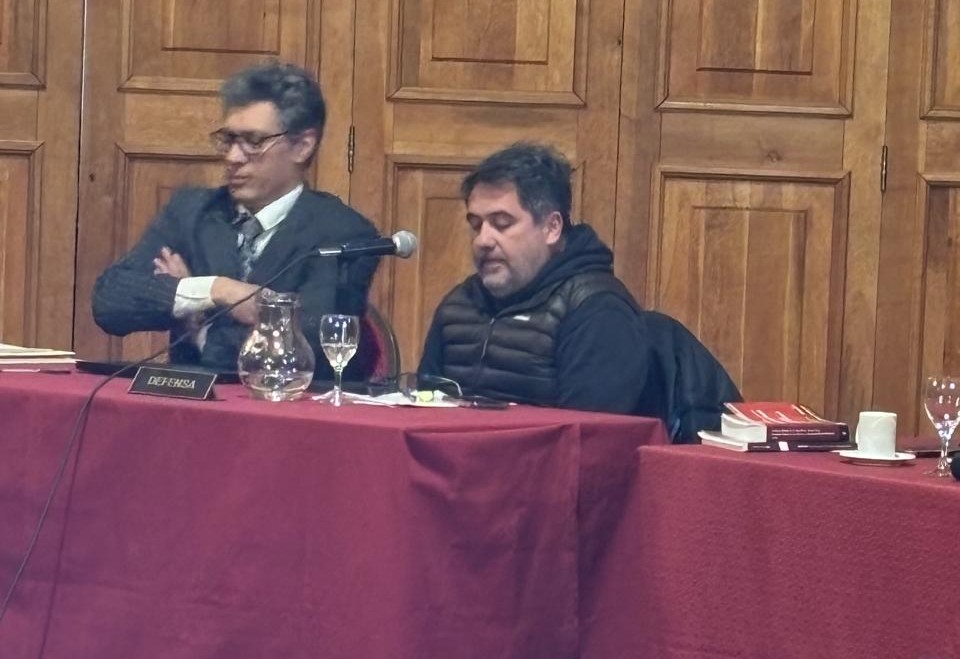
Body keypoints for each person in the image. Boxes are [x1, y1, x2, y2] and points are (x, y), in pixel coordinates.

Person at [417, 142, 740, 440]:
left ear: (551, 228)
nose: (483, 240)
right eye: (476, 225)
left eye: (502, 223)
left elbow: (587, 447)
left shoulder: (598, 310)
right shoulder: (459, 305)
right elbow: (423, 413)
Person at [92, 62, 380, 379]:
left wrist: (198, 325)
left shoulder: (344, 234)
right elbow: (110, 302)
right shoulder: (191, 211)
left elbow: (311, 349)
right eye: (228, 139)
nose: (232, 157)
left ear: (302, 146)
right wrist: (216, 290)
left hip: (287, 406)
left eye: (253, 142)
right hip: (188, 403)